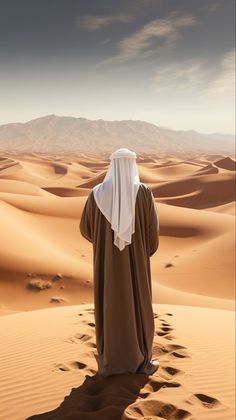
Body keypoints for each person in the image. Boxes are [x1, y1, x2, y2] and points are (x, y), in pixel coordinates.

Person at [79, 148, 160, 376]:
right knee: (138, 302)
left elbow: (85, 228)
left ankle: (111, 360)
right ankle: (140, 357)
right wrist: (143, 252)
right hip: (136, 262)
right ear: (132, 165)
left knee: (110, 304)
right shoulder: (143, 192)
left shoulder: (96, 193)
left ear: (112, 165)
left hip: (106, 264)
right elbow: (153, 232)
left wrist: (105, 245)